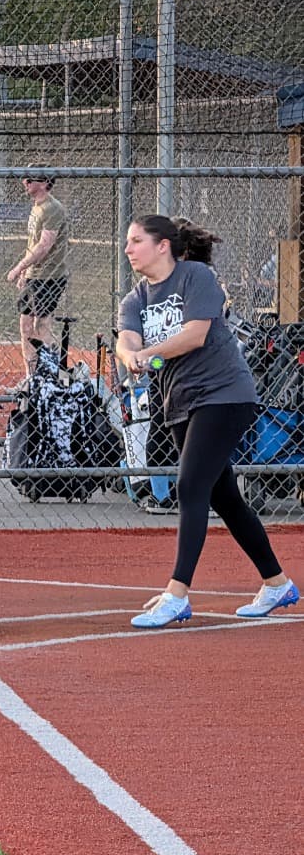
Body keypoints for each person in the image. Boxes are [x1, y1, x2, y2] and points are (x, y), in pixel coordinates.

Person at [116, 214, 299, 628]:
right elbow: (127, 340)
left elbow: (195, 334)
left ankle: (177, 593)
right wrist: (132, 356)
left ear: (163, 246)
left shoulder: (195, 277)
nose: (129, 249)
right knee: (224, 497)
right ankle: (277, 583)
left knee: (190, 485)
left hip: (225, 394)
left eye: (137, 241)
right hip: (181, 402)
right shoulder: (136, 298)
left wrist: (150, 353)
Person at [140, 216, 225, 515]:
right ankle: (164, 495)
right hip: (168, 369)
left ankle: (190, 495)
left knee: (195, 434)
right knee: (164, 427)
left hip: (196, 370)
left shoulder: (197, 278)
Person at [6, 165, 69, 378]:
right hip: (34, 274)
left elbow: (44, 246)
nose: (25, 183)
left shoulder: (52, 208)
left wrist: (18, 267)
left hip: (49, 276)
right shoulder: (37, 207)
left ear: (43, 183)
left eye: (29, 180)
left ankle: (46, 375)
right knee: (26, 324)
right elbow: (32, 243)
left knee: (42, 324)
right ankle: (31, 376)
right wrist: (25, 272)